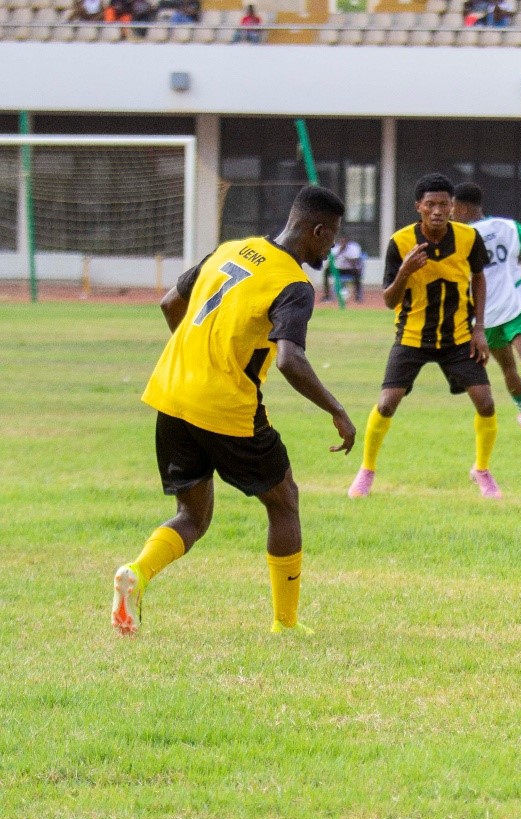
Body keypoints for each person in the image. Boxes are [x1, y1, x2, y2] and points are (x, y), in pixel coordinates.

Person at [109, 185, 356, 637]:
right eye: (332, 238)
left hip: (171, 394)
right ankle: (286, 623)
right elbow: (290, 360)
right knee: (284, 501)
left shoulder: (231, 249)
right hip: (226, 407)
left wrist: (198, 358)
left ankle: (137, 571)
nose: (332, 248)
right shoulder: (294, 285)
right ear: (318, 231)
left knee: (192, 515)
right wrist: (337, 410)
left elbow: (170, 303)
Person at [348, 173, 500, 500]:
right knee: (387, 404)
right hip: (412, 337)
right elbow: (389, 300)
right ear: (418, 206)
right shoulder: (400, 242)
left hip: (458, 337)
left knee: (486, 402)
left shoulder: (469, 238)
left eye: (444, 204)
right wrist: (405, 270)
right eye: (430, 204)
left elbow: (479, 279)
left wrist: (479, 329)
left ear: (452, 206)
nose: (437, 211)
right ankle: (367, 470)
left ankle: (482, 470)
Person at [451, 182, 521, 437]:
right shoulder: (507, 226)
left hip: (484, 314)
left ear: (463, 208)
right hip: (514, 303)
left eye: (452, 207)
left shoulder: (459, 236)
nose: (450, 212)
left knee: (508, 369)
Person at [321, 235, 365, 304]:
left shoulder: (353, 248)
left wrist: (347, 257)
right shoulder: (336, 248)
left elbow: (356, 262)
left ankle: (358, 296)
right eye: (341, 241)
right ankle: (327, 296)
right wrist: (340, 252)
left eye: (344, 241)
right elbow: (331, 260)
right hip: (338, 269)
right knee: (326, 271)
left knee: (357, 273)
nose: (343, 243)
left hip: (349, 269)